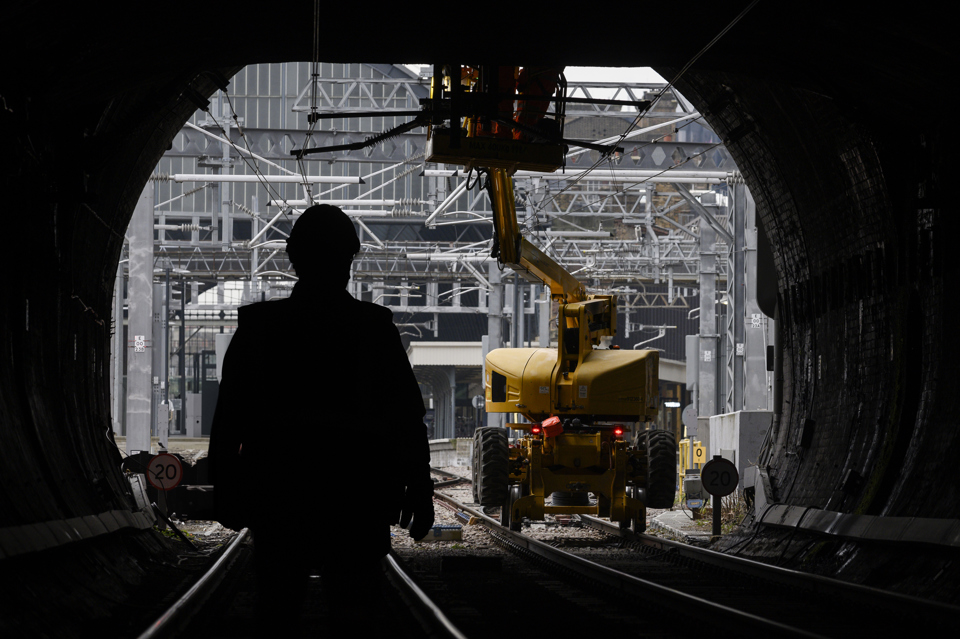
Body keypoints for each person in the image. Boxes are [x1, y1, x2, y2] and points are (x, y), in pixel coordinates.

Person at [208, 204, 435, 635]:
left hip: (280, 494)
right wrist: (418, 490)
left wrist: (226, 489)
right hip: (358, 497)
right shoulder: (373, 329)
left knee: (278, 607)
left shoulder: (259, 328)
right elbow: (407, 418)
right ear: (349, 259)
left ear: (294, 259)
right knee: (355, 609)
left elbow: (230, 416)